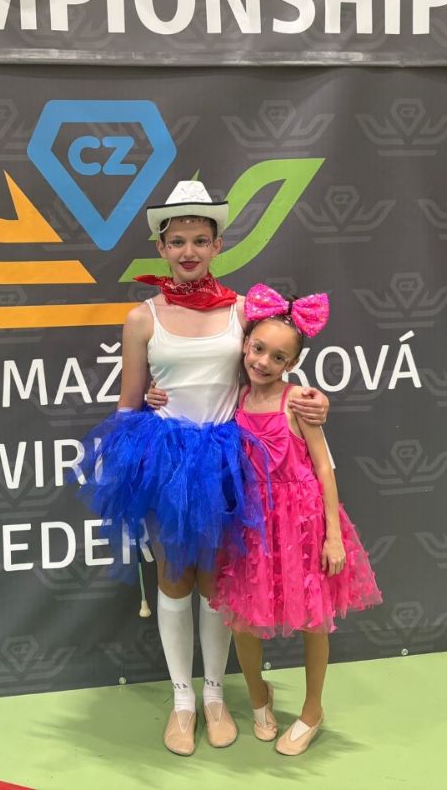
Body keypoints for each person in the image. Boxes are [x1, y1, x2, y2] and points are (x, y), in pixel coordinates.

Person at [80, 181, 329, 757]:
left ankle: (215, 696)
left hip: (229, 460)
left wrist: (315, 400)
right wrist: (135, 432)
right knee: (174, 577)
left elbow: (271, 372)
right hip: (167, 461)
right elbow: (128, 402)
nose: (188, 251)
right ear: (161, 248)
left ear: (218, 245)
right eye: (177, 242)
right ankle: (183, 701)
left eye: (199, 240)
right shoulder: (141, 318)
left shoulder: (244, 311)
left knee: (219, 582)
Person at [210, 284, 382, 756]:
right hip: (251, 524)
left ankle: (311, 710)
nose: (263, 361)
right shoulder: (235, 399)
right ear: (245, 345)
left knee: (313, 619)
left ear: (292, 363)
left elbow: (324, 467)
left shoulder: (298, 401)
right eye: (258, 349)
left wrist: (333, 536)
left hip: (301, 523)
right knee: (244, 619)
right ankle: (258, 696)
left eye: (278, 357)